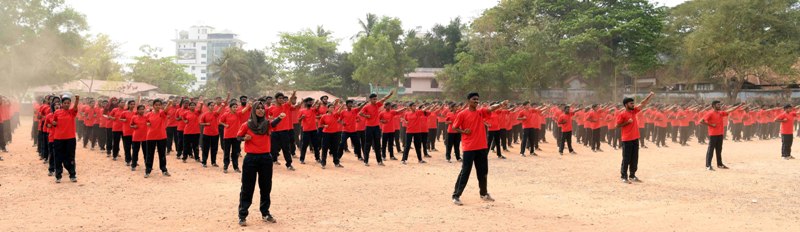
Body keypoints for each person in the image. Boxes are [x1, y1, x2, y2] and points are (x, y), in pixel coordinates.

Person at [451, 92, 506, 206]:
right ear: (468, 101)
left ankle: (484, 193)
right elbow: (454, 127)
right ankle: (456, 195)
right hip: (469, 147)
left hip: (481, 146)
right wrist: (463, 131)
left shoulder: (480, 112)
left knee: (483, 171)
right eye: (474, 99)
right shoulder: (462, 114)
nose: (476, 101)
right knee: (465, 171)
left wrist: (500, 104)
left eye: (477, 99)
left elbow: (490, 108)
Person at [236, 101, 284, 226]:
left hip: (265, 158)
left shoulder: (267, 124)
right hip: (250, 159)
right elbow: (238, 137)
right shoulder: (246, 125)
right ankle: (242, 215)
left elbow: (274, 123)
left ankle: (265, 213)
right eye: (258, 108)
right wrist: (244, 138)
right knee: (247, 188)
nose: (261, 110)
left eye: (262, 108)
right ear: (253, 110)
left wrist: (279, 117)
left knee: (266, 187)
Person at [616, 92, 654, 184]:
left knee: (634, 158)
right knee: (626, 159)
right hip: (627, 139)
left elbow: (642, 104)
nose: (633, 105)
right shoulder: (622, 114)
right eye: (631, 103)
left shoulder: (634, 111)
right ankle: (624, 176)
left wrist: (649, 96)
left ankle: (632, 175)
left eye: (633, 103)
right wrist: (627, 122)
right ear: (626, 105)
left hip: (635, 138)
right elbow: (617, 125)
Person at [700, 101, 741, 171]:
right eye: (718, 105)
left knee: (719, 150)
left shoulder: (720, 113)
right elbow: (701, 121)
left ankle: (720, 164)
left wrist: (739, 106)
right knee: (711, 150)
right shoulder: (710, 113)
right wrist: (711, 125)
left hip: (720, 134)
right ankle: (708, 165)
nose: (719, 106)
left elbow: (729, 110)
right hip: (713, 134)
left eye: (719, 104)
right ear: (713, 106)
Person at [359, 90, 395, 166]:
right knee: (368, 144)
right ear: (370, 99)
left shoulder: (377, 104)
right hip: (368, 127)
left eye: (376, 99)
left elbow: (384, 99)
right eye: (373, 99)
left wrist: (390, 94)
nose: (375, 100)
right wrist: (366, 116)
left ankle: (379, 161)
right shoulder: (366, 106)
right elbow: (360, 113)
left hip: (376, 127)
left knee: (377, 144)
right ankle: (366, 161)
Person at [51, 94, 80, 183]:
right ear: (62, 104)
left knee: (70, 157)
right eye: (65, 103)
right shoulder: (57, 112)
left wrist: (77, 99)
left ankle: (72, 175)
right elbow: (54, 121)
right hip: (58, 139)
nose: (66, 104)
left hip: (70, 139)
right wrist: (54, 123)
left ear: (70, 104)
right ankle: (58, 176)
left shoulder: (72, 112)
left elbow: (75, 107)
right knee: (58, 157)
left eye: (68, 103)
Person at [268, 92, 300, 171]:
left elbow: (290, 101)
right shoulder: (271, 108)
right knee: (273, 147)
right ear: (276, 99)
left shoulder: (285, 106)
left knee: (286, 148)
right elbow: (269, 117)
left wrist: (293, 95)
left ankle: (289, 164)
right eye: (279, 98)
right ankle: (274, 160)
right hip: (274, 131)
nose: (281, 100)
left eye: (282, 98)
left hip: (284, 131)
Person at [220, 100, 252, 173]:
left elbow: (243, 111)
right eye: (234, 107)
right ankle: (225, 166)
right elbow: (220, 121)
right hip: (227, 136)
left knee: (235, 152)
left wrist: (248, 105)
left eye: (236, 107)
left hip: (236, 136)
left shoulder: (238, 114)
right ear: (230, 108)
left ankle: (236, 167)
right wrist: (225, 125)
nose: (235, 108)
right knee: (227, 152)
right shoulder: (226, 114)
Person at [144, 99, 173, 178]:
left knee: (162, 154)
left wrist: (169, 103)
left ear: (161, 106)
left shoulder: (162, 113)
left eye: (159, 105)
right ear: (153, 105)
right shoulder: (148, 114)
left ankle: (164, 170)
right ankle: (148, 170)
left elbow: (166, 110)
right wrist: (147, 123)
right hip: (151, 136)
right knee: (149, 154)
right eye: (156, 105)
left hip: (161, 136)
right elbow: (146, 121)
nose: (158, 106)